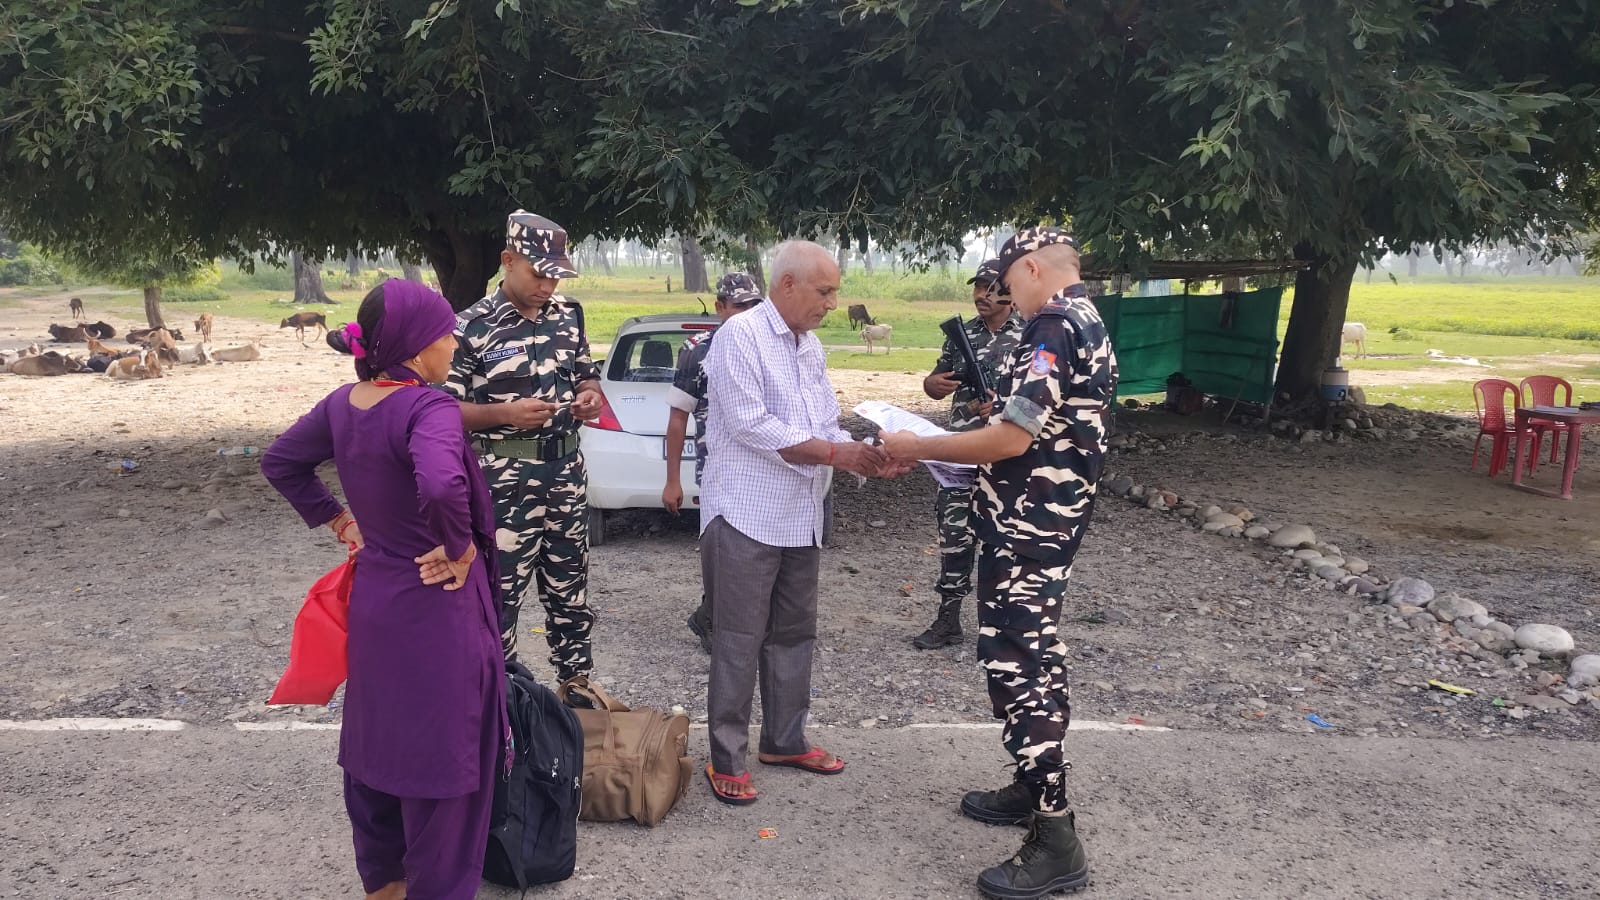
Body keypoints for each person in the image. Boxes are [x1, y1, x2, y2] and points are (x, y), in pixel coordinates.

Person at [881, 227, 1117, 900]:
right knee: (1034, 656)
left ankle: (1055, 836)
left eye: (1008, 281)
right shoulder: (1087, 318)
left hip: (1027, 530)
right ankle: (1030, 785)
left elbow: (1012, 437)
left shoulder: (1053, 325)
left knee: (1020, 666)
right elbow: (1038, 427)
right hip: (1043, 524)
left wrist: (920, 443)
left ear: (1033, 268)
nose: (1004, 294)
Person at [263, 279, 505, 900]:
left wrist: (340, 521)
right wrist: (459, 546)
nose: (454, 345)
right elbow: (443, 486)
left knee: (380, 742)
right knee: (445, 756)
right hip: (438, 604)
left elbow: (281, 461)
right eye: (446, 334)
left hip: (376, 600)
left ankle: (385, 884)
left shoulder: (344, 403)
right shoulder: (429, 407)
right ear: (417, 347)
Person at [699, 240, 904, 805]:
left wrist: (868, 456)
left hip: (800, 514)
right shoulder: (739, 336)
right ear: (787, 284)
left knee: (794, 633)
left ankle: (784, 741)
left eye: (835, 292)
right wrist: (837, 454)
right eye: (825, 291)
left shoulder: (809, 347)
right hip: (745, 512)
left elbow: (824, 423)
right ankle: (727, 757)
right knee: (739, 638)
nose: (833, 303)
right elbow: (751, 425)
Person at [444, 210, 604, 685]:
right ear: (508, 261)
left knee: (571, 596)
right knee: (499, 599)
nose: (548, 286)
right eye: (539, 274)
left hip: (566, 474)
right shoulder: (469, 327)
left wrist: (590, 397)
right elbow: (442, 412)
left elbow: (585, 374)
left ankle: (577, 695)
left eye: (557, 276)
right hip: (502, 482)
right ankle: (502, 703)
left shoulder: (568, 316)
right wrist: (504, 414)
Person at [912, 257, 1023, 649]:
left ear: (1010, 293)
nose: (981, 295)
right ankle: (948, 620)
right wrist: (932, 385)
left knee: (1006, 543)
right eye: (978, 287)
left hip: (1007, 460)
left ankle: (1005, 627)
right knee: (954, 537)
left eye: (991, 289)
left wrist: (1003, 408)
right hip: (959, 455)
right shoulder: (963, 333)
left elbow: (1040, 399)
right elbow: (935, 379)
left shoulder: (1030, 334)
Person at [663, 272, 766, 653]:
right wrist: (672, 480)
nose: (747, 313)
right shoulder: (697, 351)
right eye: (739, 306)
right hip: (717, 468)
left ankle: (725, 618)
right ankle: (714, 620)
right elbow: (678, 418)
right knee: (723, 549)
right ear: (720, 307)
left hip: (761, 465)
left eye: (754, 305)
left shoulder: (769, 346)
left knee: (755, 550)